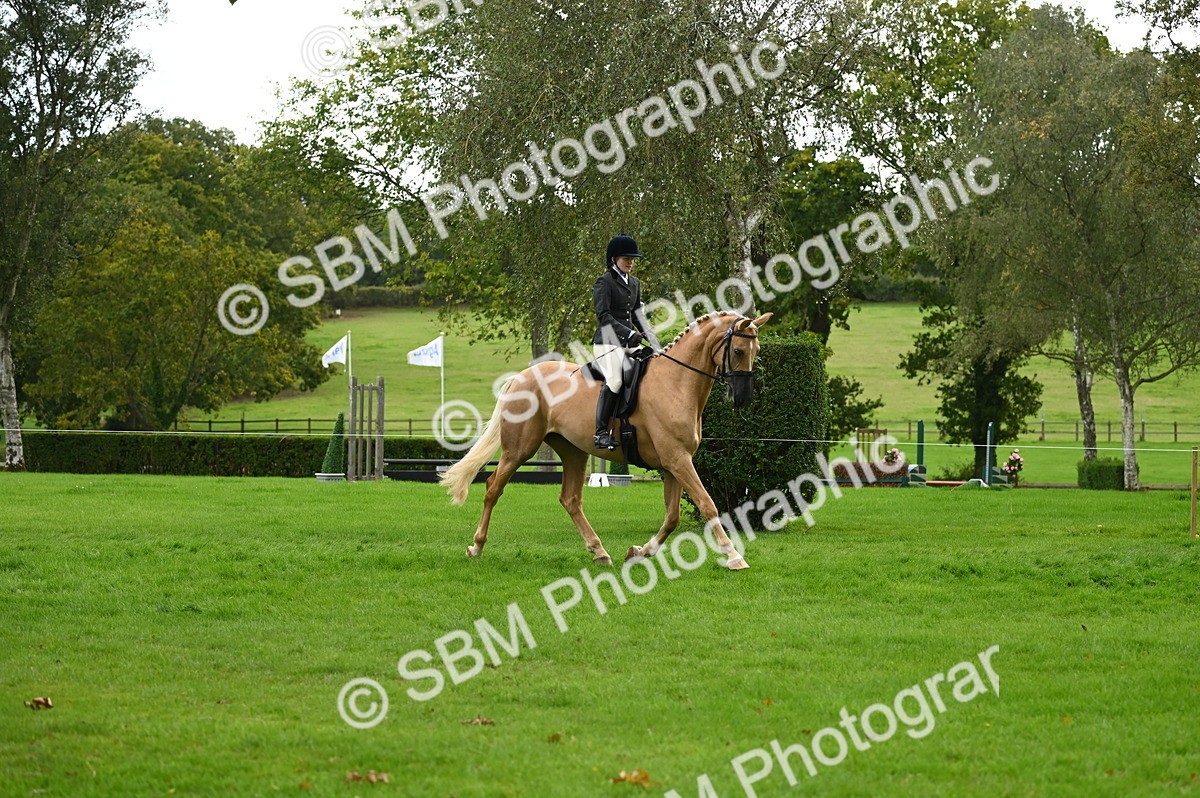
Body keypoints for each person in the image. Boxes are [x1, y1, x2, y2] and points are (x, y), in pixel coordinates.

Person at [591, 234, 650, 449]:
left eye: (633, 258)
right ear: (614, 259)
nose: (630, 262)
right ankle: (600, 433)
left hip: (629, 343)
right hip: (607, 344)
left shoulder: (635, 283)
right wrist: (628, 334)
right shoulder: (604, 282)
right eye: (626, 258)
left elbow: (637, 316)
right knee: (615, 380)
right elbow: (604, 316)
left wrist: (655, 341)